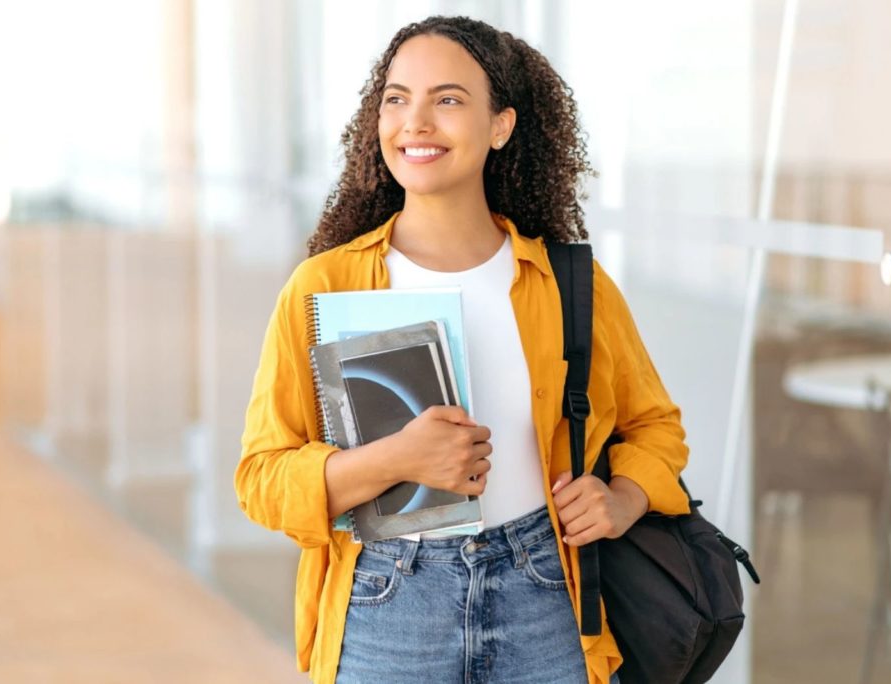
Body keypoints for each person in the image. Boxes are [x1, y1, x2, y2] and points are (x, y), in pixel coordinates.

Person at [236, 15, 690, 684]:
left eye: (447, 99)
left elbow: (655, 426)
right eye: (397, 98)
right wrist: (398, 459)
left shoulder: (569, 283)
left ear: (501, 126)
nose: (415, 122)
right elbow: (261, 478)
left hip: (547, 593)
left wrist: (622, 497)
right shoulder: (325, 285)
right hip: (388, 602)